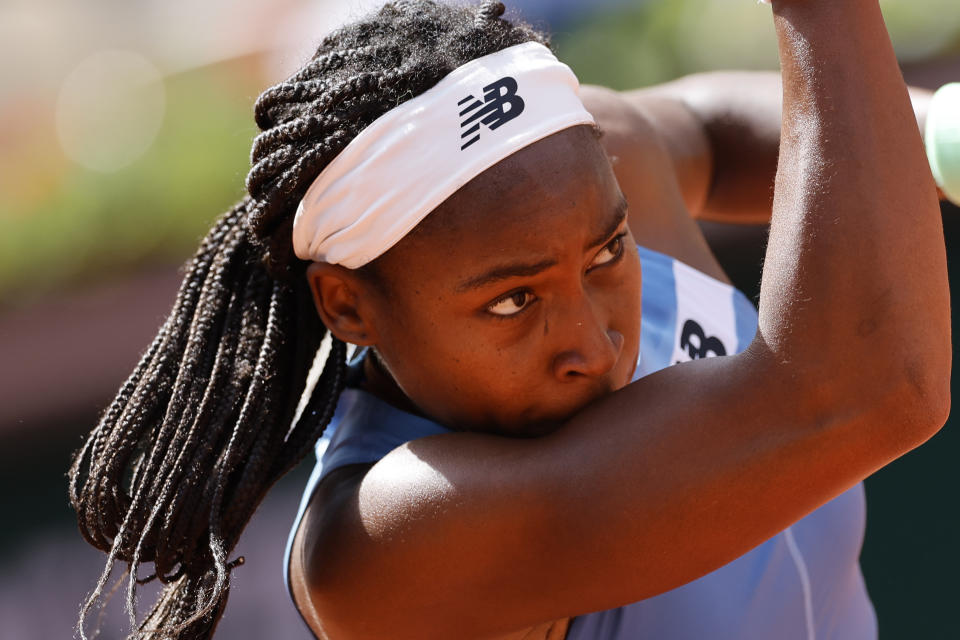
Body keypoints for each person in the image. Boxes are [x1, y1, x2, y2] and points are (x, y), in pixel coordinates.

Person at [68, 1, 953, 639]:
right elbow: (878, 390)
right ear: (348, 303)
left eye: (608, 254)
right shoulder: (384, 547)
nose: (594, 341)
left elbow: (703, 132)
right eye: (511, 300)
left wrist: (935, 133)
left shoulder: (571, 183)